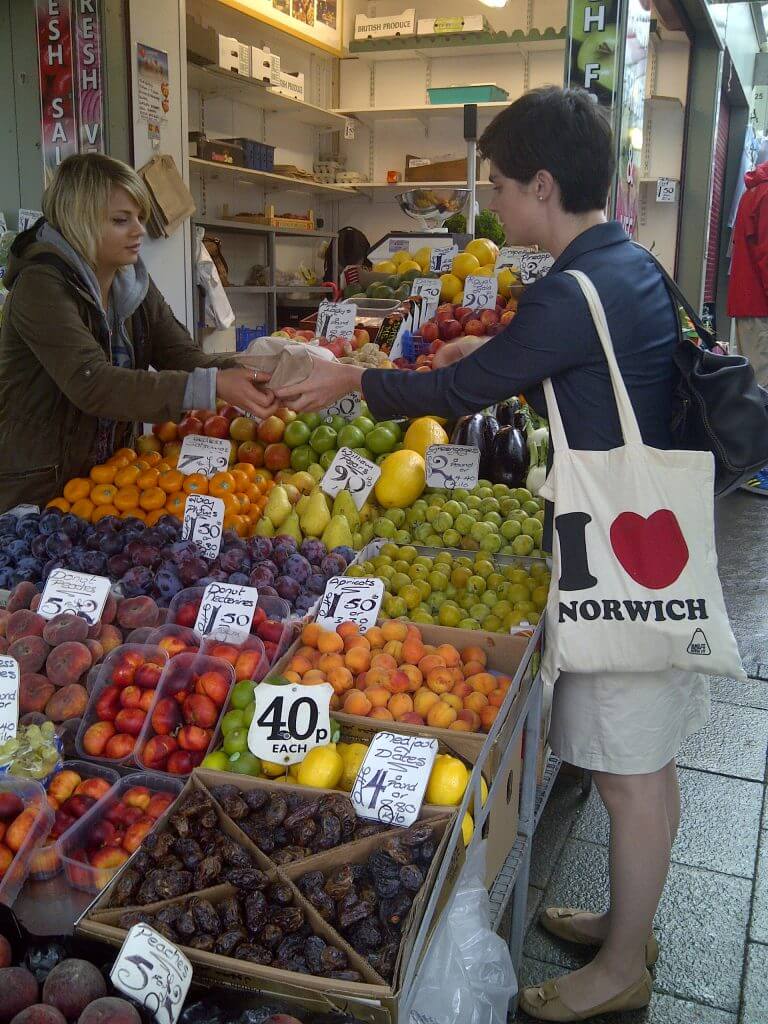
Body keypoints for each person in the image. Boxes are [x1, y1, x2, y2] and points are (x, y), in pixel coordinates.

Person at [250, 87, 711, 1020]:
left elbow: (466, 385)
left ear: (544, 183)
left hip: (623, 552)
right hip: (644, 535)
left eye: (500, 187)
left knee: (628, 769)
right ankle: (633, 924)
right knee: (642, 759)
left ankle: (623, 968)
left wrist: (348, 379)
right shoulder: (629, 264)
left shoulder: (573, 289)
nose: (493, 206)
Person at [0, 153, 268, 511]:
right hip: (40, 488)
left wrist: (258, 368)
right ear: (80, 221)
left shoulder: (131, 282)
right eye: (121, 220)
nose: (139, 230)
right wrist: (214, 385)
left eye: (139, 217)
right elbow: (94, 383)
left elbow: (184, 357)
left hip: (108, 480)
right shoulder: (41, 285)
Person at [728, 160, 768, 386]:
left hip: (751, 304)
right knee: (762, 388)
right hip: (760, 307)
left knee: (754, 384)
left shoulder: (755, 190)